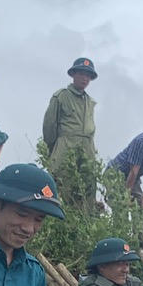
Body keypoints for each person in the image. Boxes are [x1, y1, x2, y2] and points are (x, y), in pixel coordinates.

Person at [41, 57, 98, 204]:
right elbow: (49, 126)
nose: (85, 78)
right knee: (59, 183)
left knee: (88, 186)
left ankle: (83, 221)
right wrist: (54, 149)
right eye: (81, 74)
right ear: (73, 75)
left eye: (88, 76)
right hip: (65, 144)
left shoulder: (90, 102)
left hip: (87, 148)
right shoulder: (61, 96)